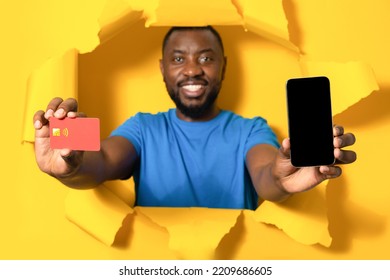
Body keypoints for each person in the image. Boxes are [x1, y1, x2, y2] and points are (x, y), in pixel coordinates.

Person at [33, 26, 357, 210]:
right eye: (178, 59)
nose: (192, 69)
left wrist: (282, 179)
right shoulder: (143, 128)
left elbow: (267, 173)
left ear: (223, 67)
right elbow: (100, 161)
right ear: (163, 69)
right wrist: (70, 166)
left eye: (205, 58)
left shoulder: (250, 130)